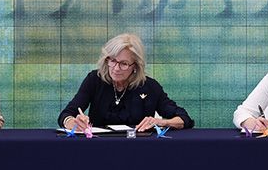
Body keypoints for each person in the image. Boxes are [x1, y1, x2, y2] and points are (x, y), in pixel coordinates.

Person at [59, 33, 193, 132]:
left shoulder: (149, 86)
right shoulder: (95, 79)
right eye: (112, 60)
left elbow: (184, 118)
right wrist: (72, 122)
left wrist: (161, 122)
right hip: (99, 147)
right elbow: (66, 114)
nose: (116, 68)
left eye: (124, 64)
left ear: (135, 66)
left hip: (138, 150)